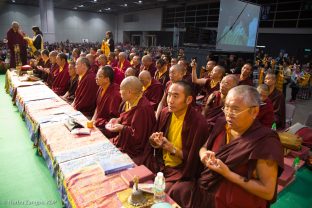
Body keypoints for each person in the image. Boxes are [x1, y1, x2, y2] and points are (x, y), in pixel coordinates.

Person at [170, 85, 284, 208]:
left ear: (254, 112)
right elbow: (203, 147)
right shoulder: (222, 124)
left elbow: (267, 191)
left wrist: (228, 174)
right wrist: (204, 156)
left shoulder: (265, 142)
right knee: (177, 190)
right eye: (226, 108)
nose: (228, 114)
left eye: (235, 109)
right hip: (208, 188)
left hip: (236, 200)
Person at [143, 81, 210, 193]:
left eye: (175, 96)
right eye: (169, 95)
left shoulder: (198, 123)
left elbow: (194, 161)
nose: (170, 100)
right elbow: (154, 143)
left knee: (163, 191)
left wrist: (171, 148)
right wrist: (155, 141)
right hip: (161, 163)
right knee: (140, 174)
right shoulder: (165, 113)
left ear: (188, 100)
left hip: (180, 169)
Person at [106, 76, 156, 164]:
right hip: (123, 140)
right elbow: (127, 118)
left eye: (121, 89)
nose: (119, 92)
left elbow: (139, 137)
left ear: (129, 92)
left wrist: (122, 128)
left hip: (135, 149)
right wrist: (117, 120)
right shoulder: (129, 101)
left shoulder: (143, 108)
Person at [92, 66, 122, 138]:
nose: (96, 78)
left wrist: (97, 122)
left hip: (109, 127)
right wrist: (93, 119)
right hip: (99, 122)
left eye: (99, 76)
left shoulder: (115, 94)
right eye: (96, 75)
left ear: (107, 79)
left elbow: (114, 118)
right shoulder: (101, 88)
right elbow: (98, 107)